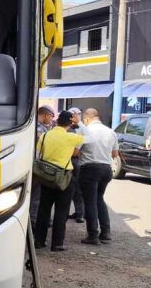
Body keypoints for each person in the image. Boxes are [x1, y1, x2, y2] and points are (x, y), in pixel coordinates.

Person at [33, 111, 84, 251]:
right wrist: (78, 122)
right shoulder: (72, 137)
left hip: (47, 177)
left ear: (57, 121)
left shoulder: (45, 135)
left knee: (43, 209)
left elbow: (38, 154)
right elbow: (89, 137)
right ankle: (57, 243)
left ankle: (38, 241)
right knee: (62, 211)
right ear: (70, 122)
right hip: (64, 178)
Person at [78, 108, 119, 245]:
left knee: (90, 202)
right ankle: (106, 233)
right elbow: (115, 154)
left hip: (90, 169)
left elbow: (76, 152)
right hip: (106, 170)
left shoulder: (85, 131)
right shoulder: (111, 131)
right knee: (99, 199)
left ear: (87, 118)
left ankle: (93, 235)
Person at [31, 105, 56, 225]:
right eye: (51, 116)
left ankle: (37, 218)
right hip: (37, 165)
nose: (51, 119)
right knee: (36, 195)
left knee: (38, 194)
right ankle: (34, 220)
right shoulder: (38, 128)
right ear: (45, 115)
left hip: (38, 165)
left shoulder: (41, 127)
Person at [67, 107, 85, 223]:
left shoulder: (82, 128)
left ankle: (80, 214)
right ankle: (78, 213)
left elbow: (78, 149)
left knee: (76, 188)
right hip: (71, 160)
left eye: (75, 114)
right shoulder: (70, 127)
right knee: (70, 187)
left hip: (75, 160)